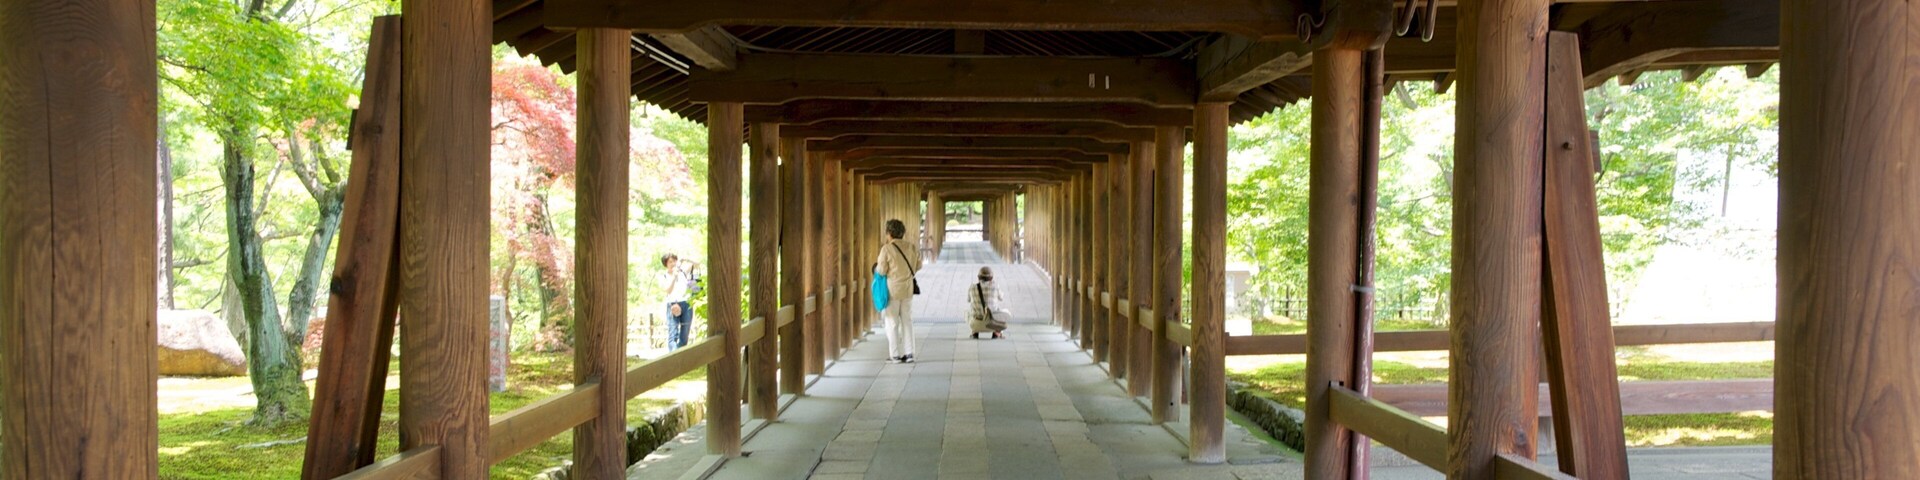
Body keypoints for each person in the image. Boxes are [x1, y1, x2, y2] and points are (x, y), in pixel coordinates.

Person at [874, 219, 921, 363]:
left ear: (889, 233)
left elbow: (881, 271)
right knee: (907, 321)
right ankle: (909, 353)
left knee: (892, 323)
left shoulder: (886, 249)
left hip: (892, 290)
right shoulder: (911, 247)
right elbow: (918, 265)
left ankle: (895, 355)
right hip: (907, 289)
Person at [660, 253, 699, 351]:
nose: (673, 263)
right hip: (673, 304)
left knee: (685, 333)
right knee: (673, 332)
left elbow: (697, 264)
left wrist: (686, 258)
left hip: (686, 303)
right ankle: (673, 357)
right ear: (666, 264)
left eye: (674, 261)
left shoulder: (683, 272)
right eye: (670, 262)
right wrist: (673, 276)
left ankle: (680, 356)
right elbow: (668, 290)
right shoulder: (664, 276)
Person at [968, 267, 1007, 339]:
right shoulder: (995, 286)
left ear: (978, 277)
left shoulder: (972, 287)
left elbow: (968, 300)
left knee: (968, 312)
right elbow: (1001, 298)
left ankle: (974, 332)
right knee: (1002, 312)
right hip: (992, 323)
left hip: (976, 322)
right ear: (991, 278)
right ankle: (996, 333)